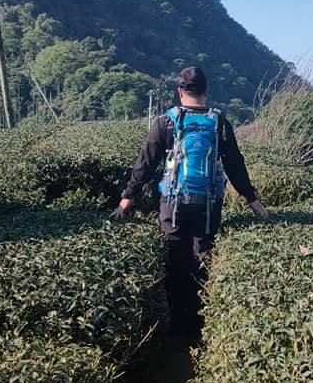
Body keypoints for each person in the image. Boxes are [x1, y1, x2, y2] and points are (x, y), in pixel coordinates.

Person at [112, 66, 268, 338]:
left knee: (175, 259)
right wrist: (252, 199)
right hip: (208, 203)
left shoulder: (166, 121)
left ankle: (176, 328)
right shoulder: (219, 122)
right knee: (201, 259)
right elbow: (234, 164)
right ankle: (200, 328)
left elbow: (145, 164)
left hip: (172, 202)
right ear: (206, 92)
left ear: (180, 91)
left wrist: (127, 198)